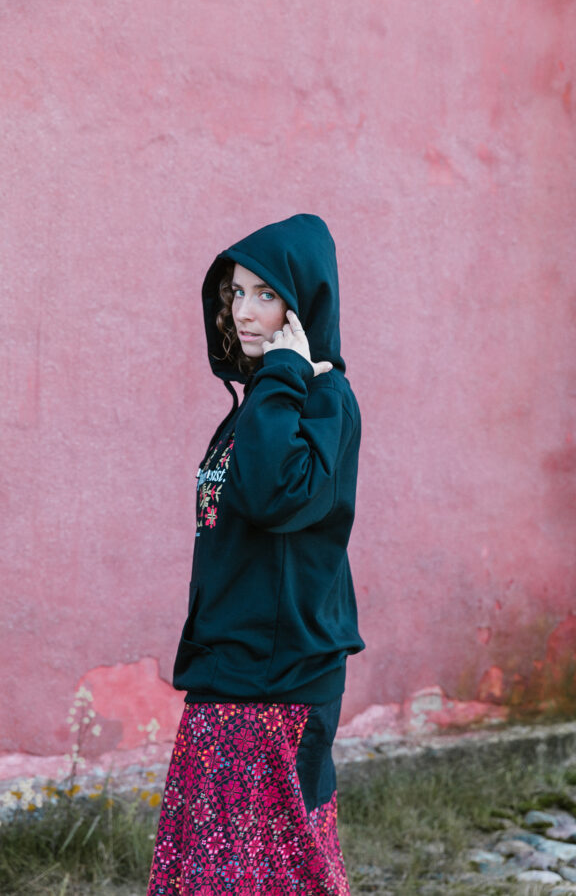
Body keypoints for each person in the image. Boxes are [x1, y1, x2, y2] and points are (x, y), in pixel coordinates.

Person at [146, 213, 364, 895]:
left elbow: (275, 498)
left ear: (304, 305)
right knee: (211, 875)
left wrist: (282, 376)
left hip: (278, 686)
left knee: (275, 876)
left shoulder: (324, 400)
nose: (243, 311)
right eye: (236, 293)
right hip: (229, 675)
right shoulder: (260, 402)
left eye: (266, 295)